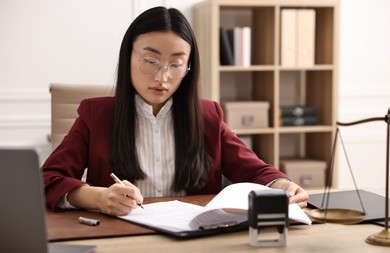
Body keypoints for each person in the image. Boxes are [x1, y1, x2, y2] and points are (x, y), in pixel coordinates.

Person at [42, 6, 308, 216]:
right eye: (151, 61)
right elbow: (47, 179)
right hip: (120, 237)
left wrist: (281, 185)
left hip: (192, 240)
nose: (162, 77)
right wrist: (98, 197)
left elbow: (255, 171)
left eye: (176, 64)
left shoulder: (207, 117)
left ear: (188, 67)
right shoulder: (95, 116)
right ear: (128, 58)